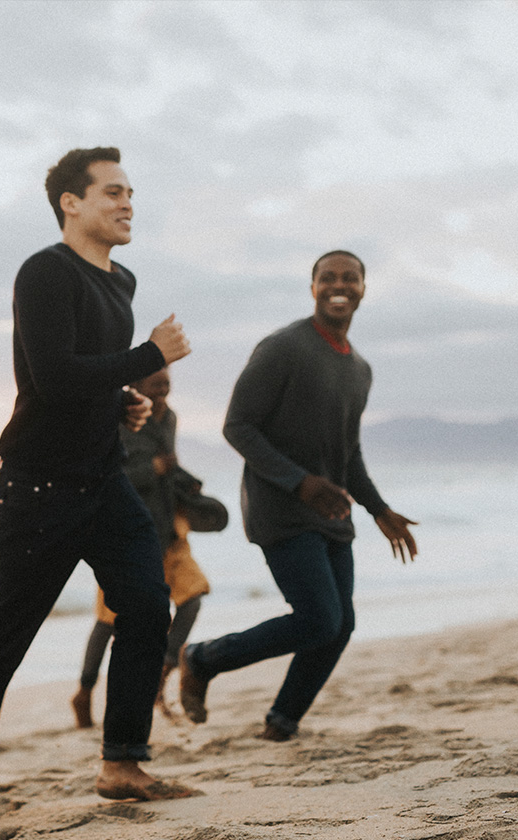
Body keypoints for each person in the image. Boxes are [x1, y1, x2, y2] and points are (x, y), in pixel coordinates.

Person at [0, 147, 197, 814]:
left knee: (146, 606)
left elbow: (92, 374)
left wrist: (123, 401)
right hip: (38, 486)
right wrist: (149, 358)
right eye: (112, 192)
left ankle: (122, 763)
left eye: (130, 192)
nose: (126, 203)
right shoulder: (44, 274)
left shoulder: (123, 281)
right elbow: (52, 377)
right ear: (71, 204)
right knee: (8, 635)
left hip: (104, 480)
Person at [178, 250, 418, 742]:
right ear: (312, 288)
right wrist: (300, 482)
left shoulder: (361, 370)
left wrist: (379, 509)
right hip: (281, 507)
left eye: (350, 278)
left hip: (331, 510)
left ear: (363, 289)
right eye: (327, 277)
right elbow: (237, 426)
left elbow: (347, 452)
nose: (339, 285)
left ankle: (282, 720)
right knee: (318, 618)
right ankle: (202, 658)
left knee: (340, 624)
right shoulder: (283, 347)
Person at [70, 367, 213, 728]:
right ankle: (84, 692)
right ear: (134, 386)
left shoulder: (171, 418)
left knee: (192, 597)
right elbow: (107, 475)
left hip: (169, 531)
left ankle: (162, 672)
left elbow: (170, 465)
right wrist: (154, 468)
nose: (163, 390)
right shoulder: (118, 420)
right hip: (126, 536)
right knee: (108, 621)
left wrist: (186, 481)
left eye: (166, 383)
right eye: (155, 384)